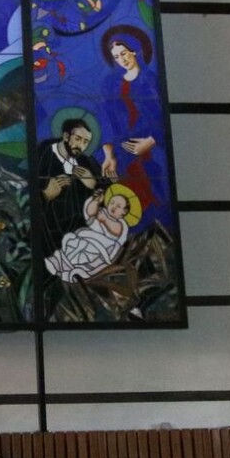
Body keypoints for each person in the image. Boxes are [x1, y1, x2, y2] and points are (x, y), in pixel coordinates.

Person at [97, 26, 162, 219]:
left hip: (150, 150)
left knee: (156, 192)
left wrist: (150, 141)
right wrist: (109, 155)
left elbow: (160, 117)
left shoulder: (151, 80)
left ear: (134, 50)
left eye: (124, 53)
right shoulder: (110, 83)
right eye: (116, 57)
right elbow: (106, 120)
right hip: (121, 152)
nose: (122, 60)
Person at [44, 184, 140, 282]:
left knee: (83, 257)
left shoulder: (120, 225)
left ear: (124, 212)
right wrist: (96, 201)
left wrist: (105, 220)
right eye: (112, 202)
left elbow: (115, 232)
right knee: (73, 246)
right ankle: (59, 263)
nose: (113, 207)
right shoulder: (103, 212)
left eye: (118, 206)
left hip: (100, 247)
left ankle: (70, 269)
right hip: (87, 238)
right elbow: (90, 214)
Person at [35, 117, 102, 258]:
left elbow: (108, 191)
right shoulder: (41, 156)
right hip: (51, 237)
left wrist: (93, 184)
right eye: (78, 139)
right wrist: (45, 195)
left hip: (80, 234)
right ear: (66, 136)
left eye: (86, 142)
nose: (81, 146)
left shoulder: (87, 162)